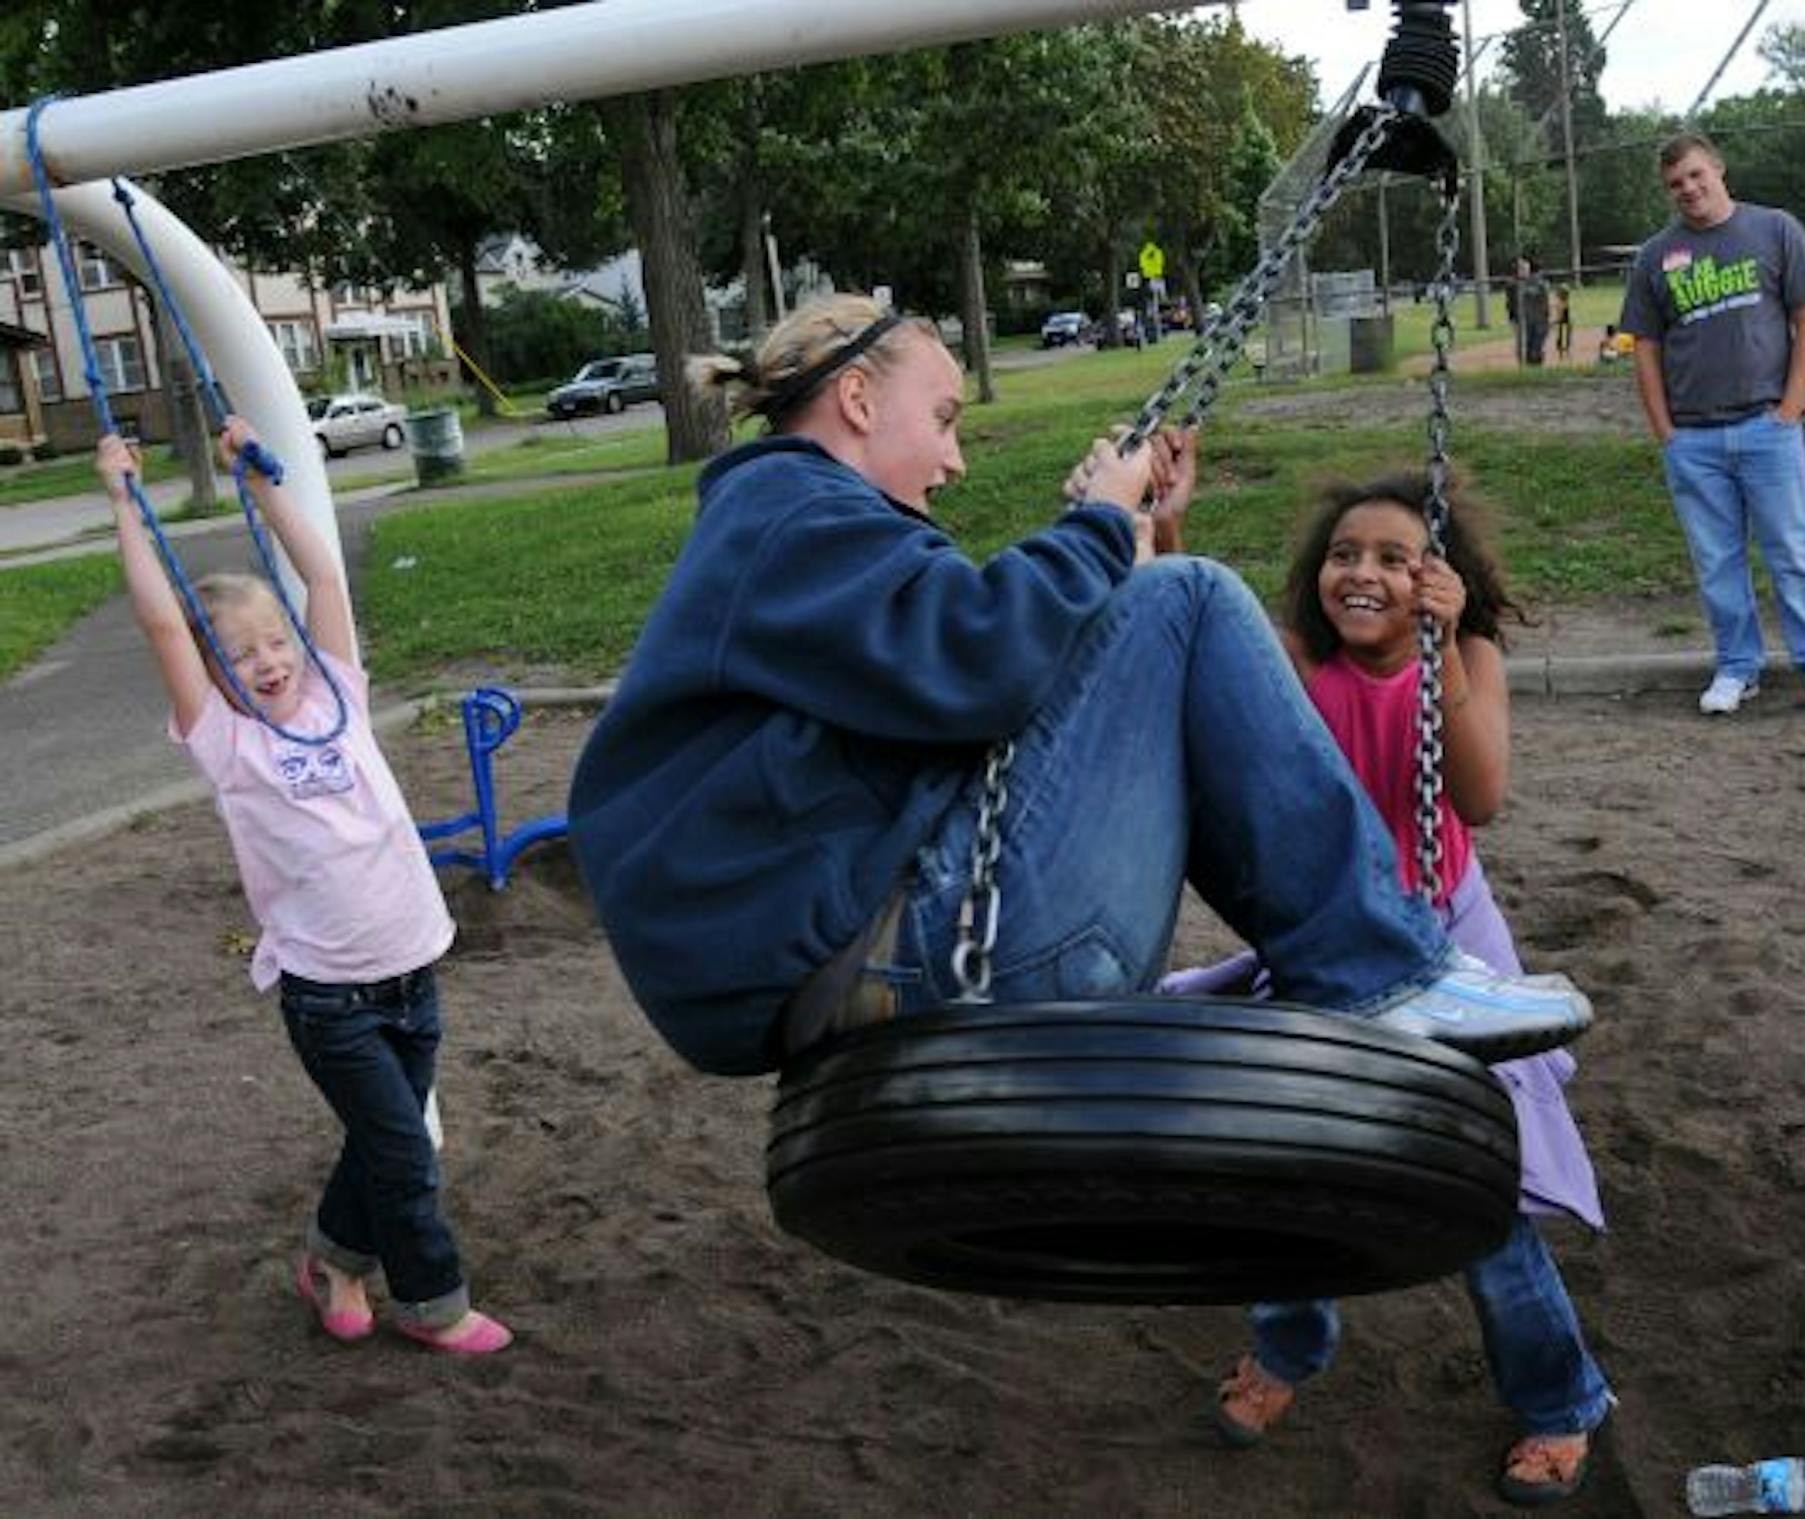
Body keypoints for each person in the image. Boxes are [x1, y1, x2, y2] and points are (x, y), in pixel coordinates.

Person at [568, 293, 1592, 1087]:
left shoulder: (792, 539)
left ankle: (1366, 961)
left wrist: (1118, 549)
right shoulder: (788, 513)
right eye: (944, 416)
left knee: (1162, 594)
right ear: (860, 401)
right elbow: (979, 661)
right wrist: (1100, 527)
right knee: (1187, 599)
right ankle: (1384, 974)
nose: (958, 457)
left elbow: (981, 677)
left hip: (867, 958)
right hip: (931, 962)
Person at [1153, 474, 1613, 1506]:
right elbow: (1202, 666)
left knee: (1482, 1193)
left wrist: (1447, 648)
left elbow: (1483, 794)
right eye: (1344, 553)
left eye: (1396, 558)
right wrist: (1171, 524)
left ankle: (1558, 1397)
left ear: (1441, 581)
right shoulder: (1300, 668)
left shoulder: (1465, 658)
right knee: (1296, 1162)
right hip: (1330, 948)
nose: (1362, 572)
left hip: (1445, 946)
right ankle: (1290, 1343)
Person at [94, 421, 511, 1356]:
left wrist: (262, 481)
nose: (270, 661)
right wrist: (124, 503)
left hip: (413, 970)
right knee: (408, 1154)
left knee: (385, 1143)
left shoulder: (337, 691)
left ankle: (330, 1258)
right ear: (211, 678)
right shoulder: (229, 743)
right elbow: (163, 621)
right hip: (331, 996)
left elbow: (321, 575)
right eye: (240, 656)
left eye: (272, 641)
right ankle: (434, 1303)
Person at [1619, 132, 1805, 717]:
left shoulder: (1774, 229)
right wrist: (1665, 433)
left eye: (1697, 175)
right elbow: (1645, 347)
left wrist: (1790, 411)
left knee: (1793, 551)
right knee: (1717, 562)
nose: (1689, 190)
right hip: (1694, 437)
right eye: (1676, 183)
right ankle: (1737, 667)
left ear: (1719, 170)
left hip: (1766, 425)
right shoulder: (1657, 255)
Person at [1511, 254, 1552, 367]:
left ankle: (1537, 368)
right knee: (1526, 350)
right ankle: (1528, 370)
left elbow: (1545, 303)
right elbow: (1512, 304)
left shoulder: (1541, 284)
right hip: (1526, 322)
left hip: (1540, 322)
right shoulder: (1516, 285)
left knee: (1536, 350)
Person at [1552, 282, 1574, 359]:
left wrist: (1554, 321)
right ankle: (1564, 353)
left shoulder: (1561, 303)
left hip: (1563, 322)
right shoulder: (1562, 302)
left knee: (1562, 338)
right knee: (1564, 338)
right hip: (1565, 322)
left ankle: (1563, 354)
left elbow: (1561, 314)